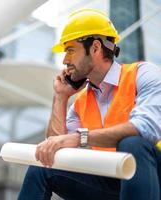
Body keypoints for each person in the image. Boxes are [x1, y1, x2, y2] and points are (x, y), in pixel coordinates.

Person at [18, 8, 161, 200]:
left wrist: (79, 138)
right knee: (42, 168)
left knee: (133, 144)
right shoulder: (80, 103)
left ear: (95, 48)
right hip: (114, 180)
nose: (65, 60)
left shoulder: (143, 75)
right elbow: (54, 151)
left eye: (70, 50)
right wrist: (61, 97)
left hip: (153, 176)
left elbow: (145, 128)